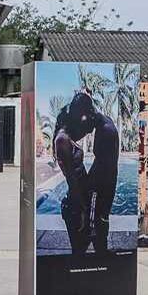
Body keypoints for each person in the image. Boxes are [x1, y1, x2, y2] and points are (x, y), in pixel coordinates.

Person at [53, 94, 94, 257]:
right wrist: (83, 208)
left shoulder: (68, 136)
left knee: (82, 247)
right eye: (84, 113)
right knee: (78, 250)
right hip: (76, 203)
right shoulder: (62, 140)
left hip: (80, 199)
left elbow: (86, 128)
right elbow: (71, 178)